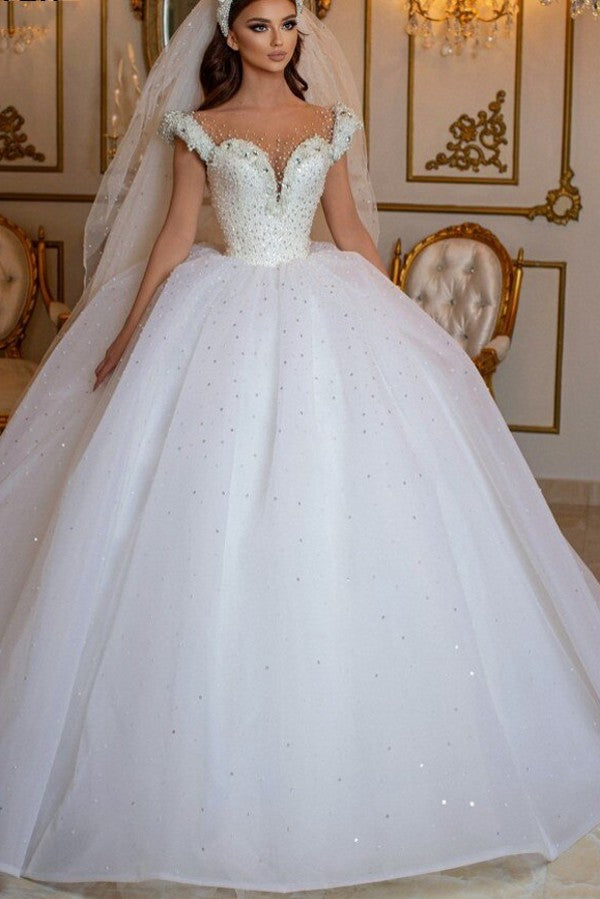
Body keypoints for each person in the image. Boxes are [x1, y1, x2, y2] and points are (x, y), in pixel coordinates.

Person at [1, 0, 600, 893]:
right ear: (228, 36)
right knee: (212, 516)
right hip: (222, 314)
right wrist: (126, 333)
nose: (280, 39)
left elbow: (350, 232)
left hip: (326, 312)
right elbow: (173, 237)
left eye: (288, 23)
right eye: (260, 26)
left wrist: (407, 331)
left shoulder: (330, 123)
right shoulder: (198, 129)